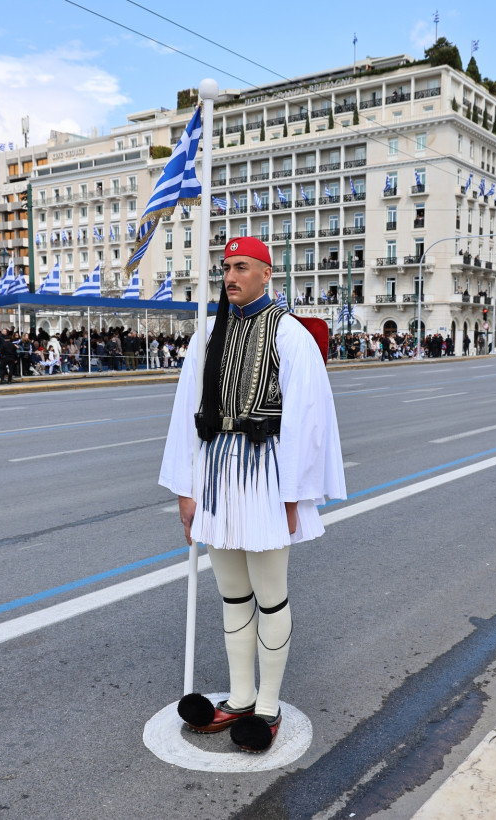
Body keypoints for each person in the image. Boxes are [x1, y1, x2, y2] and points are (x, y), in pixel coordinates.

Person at [159, 237, 345, 753]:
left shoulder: (290, 335)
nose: (231, 276)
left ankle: (268, 705)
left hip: (266, 476)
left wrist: (294, 495)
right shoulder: (206, 337)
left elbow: (308, 419)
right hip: (217, 474)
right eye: (226, 268)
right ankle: (240, 697)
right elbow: (185, 418)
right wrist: (185, 488)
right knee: (232, 594)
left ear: (267, 274)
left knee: (270, 593)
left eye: (242, 267)